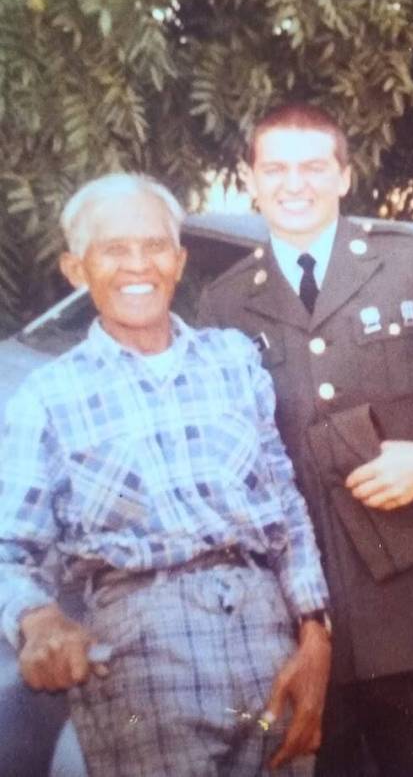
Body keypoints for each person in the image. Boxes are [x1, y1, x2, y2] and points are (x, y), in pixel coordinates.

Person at [198, 103, 413, 776]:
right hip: (308, 625)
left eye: (314, 166)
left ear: (344, 176)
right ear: (250, 179)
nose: (295, 184)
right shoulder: (222, 305)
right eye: (275, 168)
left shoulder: (410, 265)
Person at [0, 173, 332, 777]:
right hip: (140, 654)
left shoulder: (233, 362)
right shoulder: (47, 397)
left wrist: (316, 636)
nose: (138, 265)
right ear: (77, 270)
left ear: (178, 262)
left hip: (269, 641)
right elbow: (7, 549)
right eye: (114, 249)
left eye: (154, 246)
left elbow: (285, 503)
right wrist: (38, 618)